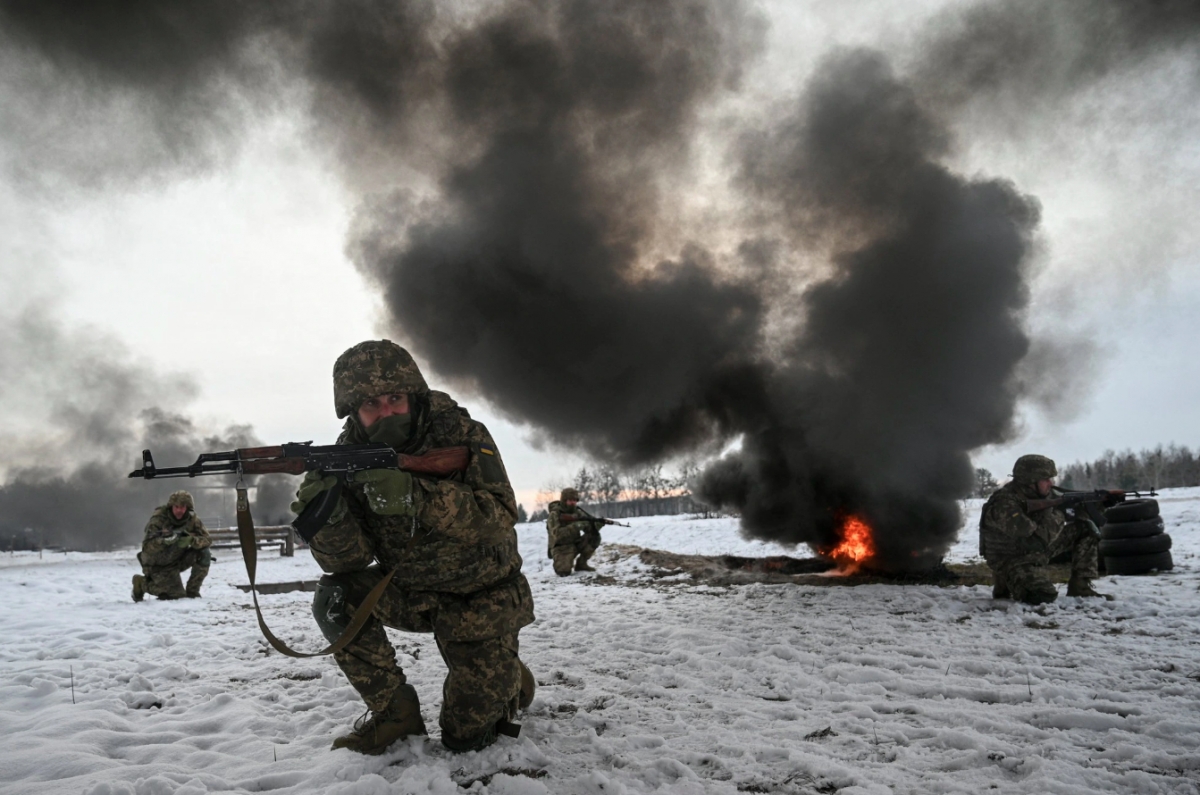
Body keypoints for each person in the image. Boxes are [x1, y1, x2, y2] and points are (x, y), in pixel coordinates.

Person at [291, 340, 536, 755]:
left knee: (467, 740)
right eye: (371, 404)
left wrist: (416, 496)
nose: (386, 411)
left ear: (413, 394)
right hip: (409, 593)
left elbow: (498, 517)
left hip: (480, 600)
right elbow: (349, 561)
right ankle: (395, 714)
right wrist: (327, 516)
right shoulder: (346, 456)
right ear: (353, 411)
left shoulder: (459, 432)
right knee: (336, 597)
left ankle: (507, 673)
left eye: (395, 398)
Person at [979, 454, 1110, 604]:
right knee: (1042, 595)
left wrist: (1098, 504)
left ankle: (1080, 586)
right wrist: (1060, 514)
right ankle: (1005, 579)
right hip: (1010, 558)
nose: (1051, 483)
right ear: (1030, 481)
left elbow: (1073, 504)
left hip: (1031, 551)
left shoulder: (1042, 494)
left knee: (1085, 528)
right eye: (1046, 479)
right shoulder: (1004, 503)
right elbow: (1035, 540)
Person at [132, 490, 212, 601]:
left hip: (177, 560)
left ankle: (192, 592)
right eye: (177, 507)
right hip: (157, 565)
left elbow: (207, 540)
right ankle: (142, 583)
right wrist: (163, 541)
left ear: (188, 508)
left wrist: (192, 540)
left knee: (204, 553)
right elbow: (147, 548)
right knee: (174, 596)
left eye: (183, 507)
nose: (180, 510)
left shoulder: (192, 520)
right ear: (171, 506)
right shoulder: (158, 520)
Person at [546, 487, 606, 576]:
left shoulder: (577, 512)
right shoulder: (555, 514)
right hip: (561, 547)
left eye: (575, 500)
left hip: (576, 543)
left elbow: (588, 528)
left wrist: (596, 525)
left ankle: (581, 564)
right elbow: (557, 535)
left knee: (594, 537)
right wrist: (576, 526)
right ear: (564, 500)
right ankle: (564, 561)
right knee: (563, 572)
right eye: (570, 500)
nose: (573, 503)